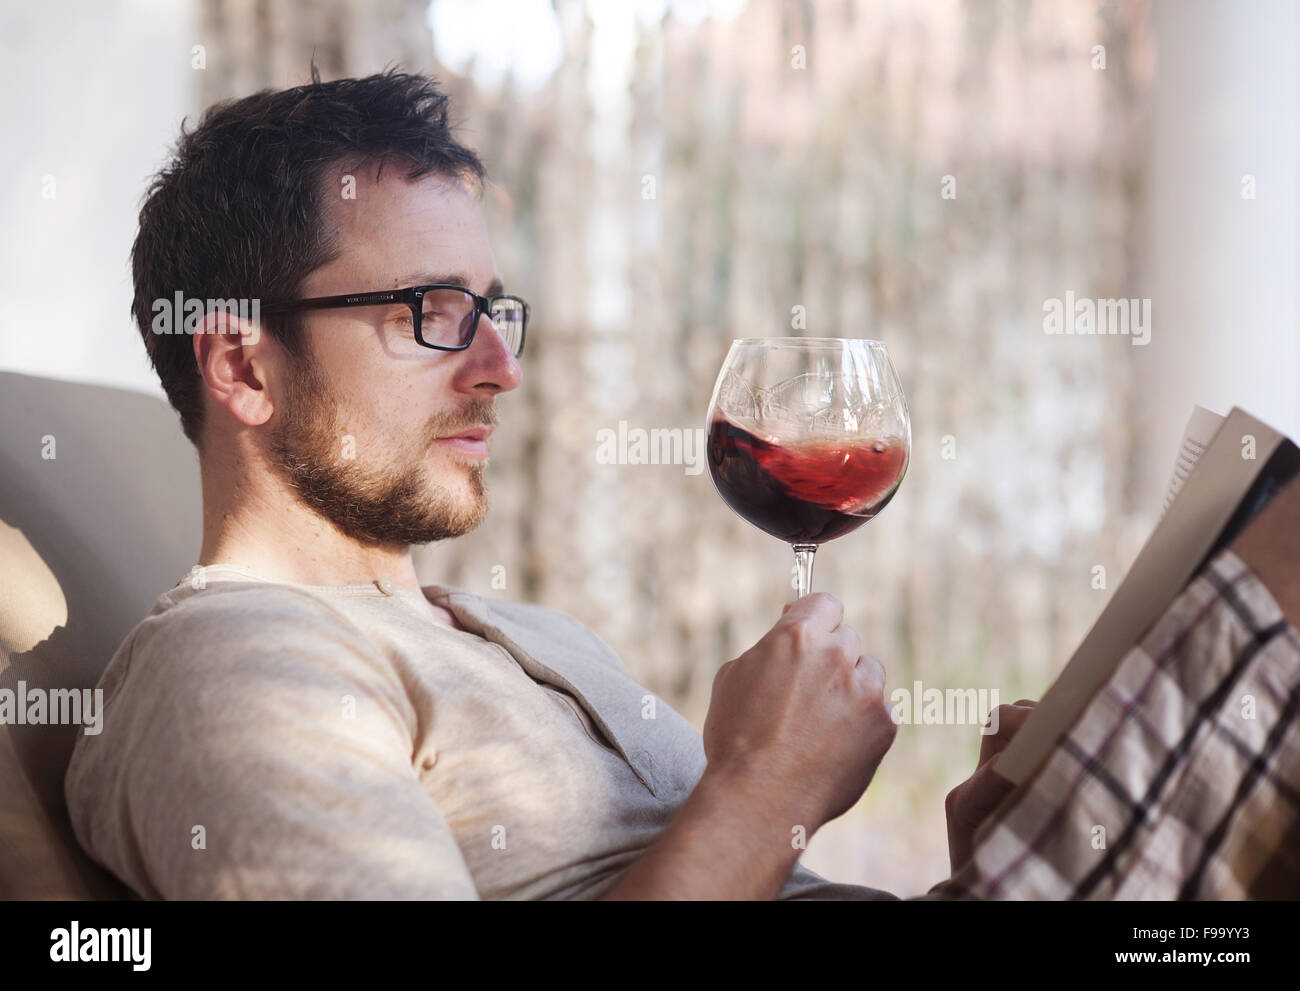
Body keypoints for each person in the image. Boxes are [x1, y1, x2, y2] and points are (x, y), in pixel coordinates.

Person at [61, 68, 1032, 900]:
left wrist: (991, 854)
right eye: (431, 312)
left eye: (492, 311)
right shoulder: (236, 666)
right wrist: (766, 787)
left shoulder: (522, 634)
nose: (499, 367)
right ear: (242, 366)